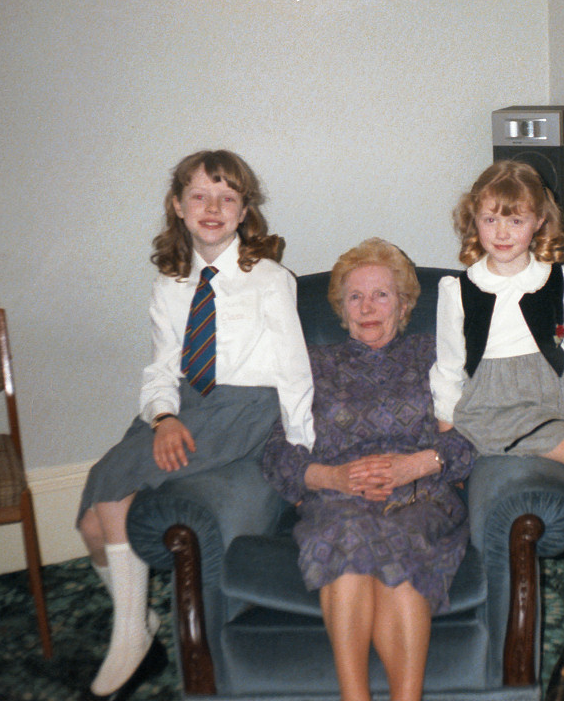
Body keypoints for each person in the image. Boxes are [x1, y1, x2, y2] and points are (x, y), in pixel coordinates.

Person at [77, 149, 315, 701]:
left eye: (226, 198)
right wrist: (162, 418)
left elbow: (294, 371)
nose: (212, 208)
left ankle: (130, 640)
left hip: (243, 410)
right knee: (90, 523)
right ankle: (139, 620)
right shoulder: (170, 284)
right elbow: (161, 369)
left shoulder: (270, 279)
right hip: (184, 404)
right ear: (178, 206)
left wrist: (301, 454)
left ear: (244, 211)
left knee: (111, 496)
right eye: (200, 196)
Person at [429, 160, 564, 680]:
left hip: (557, 398)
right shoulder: (458, 290)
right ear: (473, 222)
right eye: (490, 219)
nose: (502, 232)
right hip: (493, 405)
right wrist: (447, 438)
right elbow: (448, 369)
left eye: (516, 219)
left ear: (539, 223)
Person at [261, 238, 475, 701]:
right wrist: (332, 477)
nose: (367, 307)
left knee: (402, 545)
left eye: (381, 294)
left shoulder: (435, 355)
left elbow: (474, 433)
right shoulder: (314, 365)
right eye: (355, 297)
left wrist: (417, 464)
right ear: (341, 309)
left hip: (421, 492)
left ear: (404, 304)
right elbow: (276, 451)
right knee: (348, 537)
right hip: (338, 497)